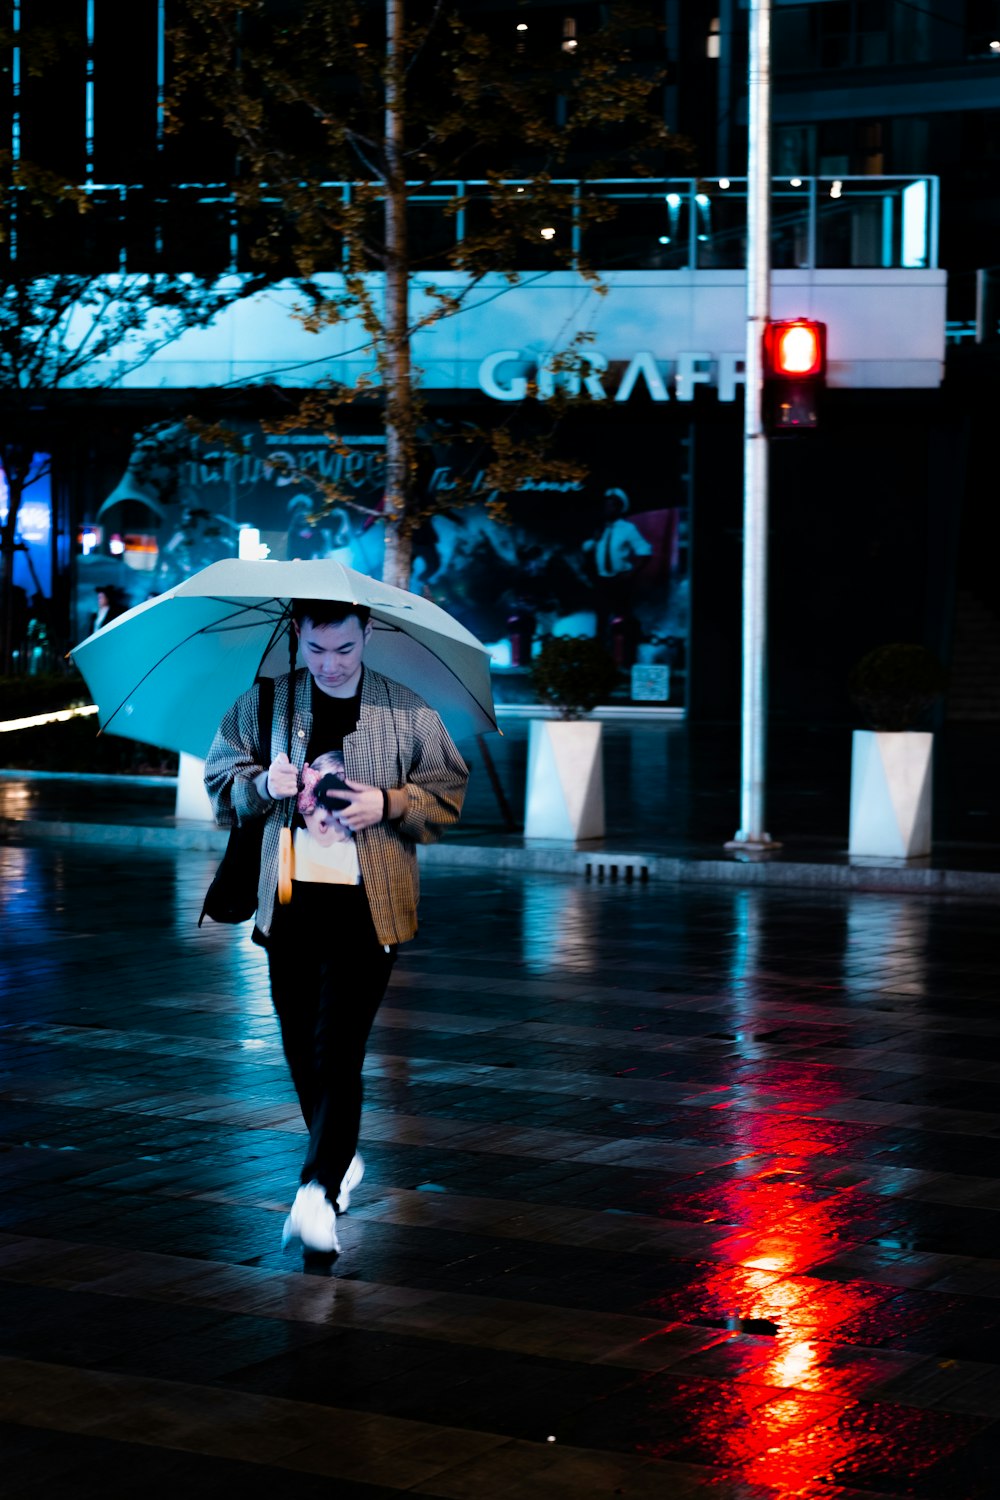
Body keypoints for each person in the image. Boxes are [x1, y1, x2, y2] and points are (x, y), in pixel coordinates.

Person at [203, 598, 469, 1256]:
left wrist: (390, 802)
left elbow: (447, 798)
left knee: (338, 1048)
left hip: (369, 908)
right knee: (300, 1048)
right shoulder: (266, 704)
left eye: (344, 650)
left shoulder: (405, 710)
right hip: (286, 903)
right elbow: (219, 782)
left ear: (367, 634)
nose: (329, 664)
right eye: (317, 650)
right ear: (298, 636)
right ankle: (339, 1156)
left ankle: (317, 1192)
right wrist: (264, 782)